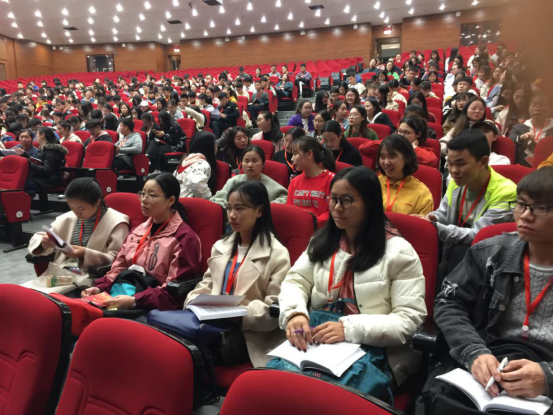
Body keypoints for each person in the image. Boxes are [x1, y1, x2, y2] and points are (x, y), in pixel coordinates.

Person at [278, 166, 426, 394]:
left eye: (347, 200)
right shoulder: (322, 240)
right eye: (333, 199)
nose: (337, 208)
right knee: (277, 387)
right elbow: (296, 281)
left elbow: (408, 320)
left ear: (370, 203)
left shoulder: (399, 252)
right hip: (318, 339)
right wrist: (295, 313)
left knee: (319, 398)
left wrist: (347, 329)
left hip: (372, 349)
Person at [416, 167, 553, 414]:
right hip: (489, 357)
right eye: (521, 204)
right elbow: (449, 303)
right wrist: (474, 352)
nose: (525, 215)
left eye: (540, 208)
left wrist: (548, 377)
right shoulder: (490, 252)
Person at [185, 180, 291, 367]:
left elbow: (274, 310)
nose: (232, 215)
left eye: (240, 209)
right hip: (212, 321)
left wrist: (240, 315)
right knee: (177, 341)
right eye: (229, 208)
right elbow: (206, 285)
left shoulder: (277, 254)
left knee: (193, 351)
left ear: (259, 211)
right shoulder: (221, 246)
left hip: (249, 334)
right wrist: (193, 301)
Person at [81, 173, 201, 311]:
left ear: (170, 200)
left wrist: (134, 301)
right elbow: (119, 267)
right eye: (143, 194)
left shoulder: (184, 239)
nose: (144, 200)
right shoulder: (138, 231)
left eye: (152, 195)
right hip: (125, 294)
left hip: (154, 305)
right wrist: (99, 288)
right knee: (83, 308)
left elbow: (173, 291)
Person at [415, 130, 517, 273]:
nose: (453, 171)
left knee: (458, 251)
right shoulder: (456, 182)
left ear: (483, 162)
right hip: (453, 250)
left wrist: (436, 227)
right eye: (450, 164)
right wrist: (433, 218)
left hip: (486, 259)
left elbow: (480, 235)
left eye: (460, 164)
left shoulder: (507, 192)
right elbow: (443, 213)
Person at [25, 178, 130, 292]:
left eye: (81, 209)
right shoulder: (69, 218)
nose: (76, 213)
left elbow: (118, 259)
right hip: (62, 271)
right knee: (26, 293)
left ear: (97, 202)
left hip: (90, 276)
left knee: (40, 295)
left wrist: (84, 253)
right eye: (71, 207)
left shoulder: (117, 222)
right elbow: (41, 236)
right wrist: (43, 243)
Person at [210, 146, 288, 208]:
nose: (250, 165)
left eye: (254, 161)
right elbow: (218, 198)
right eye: (246, 161)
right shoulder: (234, 181)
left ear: (263, 164)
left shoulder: (271, 185)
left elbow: (286, 199)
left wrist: (265, 209)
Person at [375, 135, 433, 215]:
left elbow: (423, 222)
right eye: (382, 157)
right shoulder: (374, 183)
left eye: (392, 156)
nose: (386, 162)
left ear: (407, 158)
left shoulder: (422, 193)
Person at [288, 136, 336, 226]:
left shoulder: (332, 180)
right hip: (297, 229)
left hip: (321, 230)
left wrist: (310, 224)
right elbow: (289, 211)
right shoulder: (294, 182)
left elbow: (332, 213)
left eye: (295, 154)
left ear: (309, 154)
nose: (292, 159)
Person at [360, 116, 439, 169]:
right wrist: (389, 142)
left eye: (407, 133)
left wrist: (412, 147)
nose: (401, 135)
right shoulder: (390, 146)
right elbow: (363, 148)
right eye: (399, 131)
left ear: (418, 134)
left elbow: (431, 161)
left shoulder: (422, 150)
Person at [509, 95, 553, 167]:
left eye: (542, 105)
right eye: (534, 105)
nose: (537, 108)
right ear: (528, 108)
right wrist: (521, 138)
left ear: (550, 109)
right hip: (522, 167)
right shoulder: (518, 127)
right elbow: (510, 142)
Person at [23, 127, 68, 194]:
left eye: (37, 133)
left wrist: (29, 164)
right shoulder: (45, 149)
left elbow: (47, 170)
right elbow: (39, 162)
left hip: (48, 181)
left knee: (21, 184)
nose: (36, 136)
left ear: (42, 135)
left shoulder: (52, 151)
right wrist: (25, 155)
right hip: (40, 178)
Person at [174, 131, 217, 199]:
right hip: (188, 202)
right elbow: (196, 182)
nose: (216, 148)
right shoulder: (203, 163)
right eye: (215, 145)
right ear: (209, 148)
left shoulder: (185, 160)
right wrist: (209, 198)